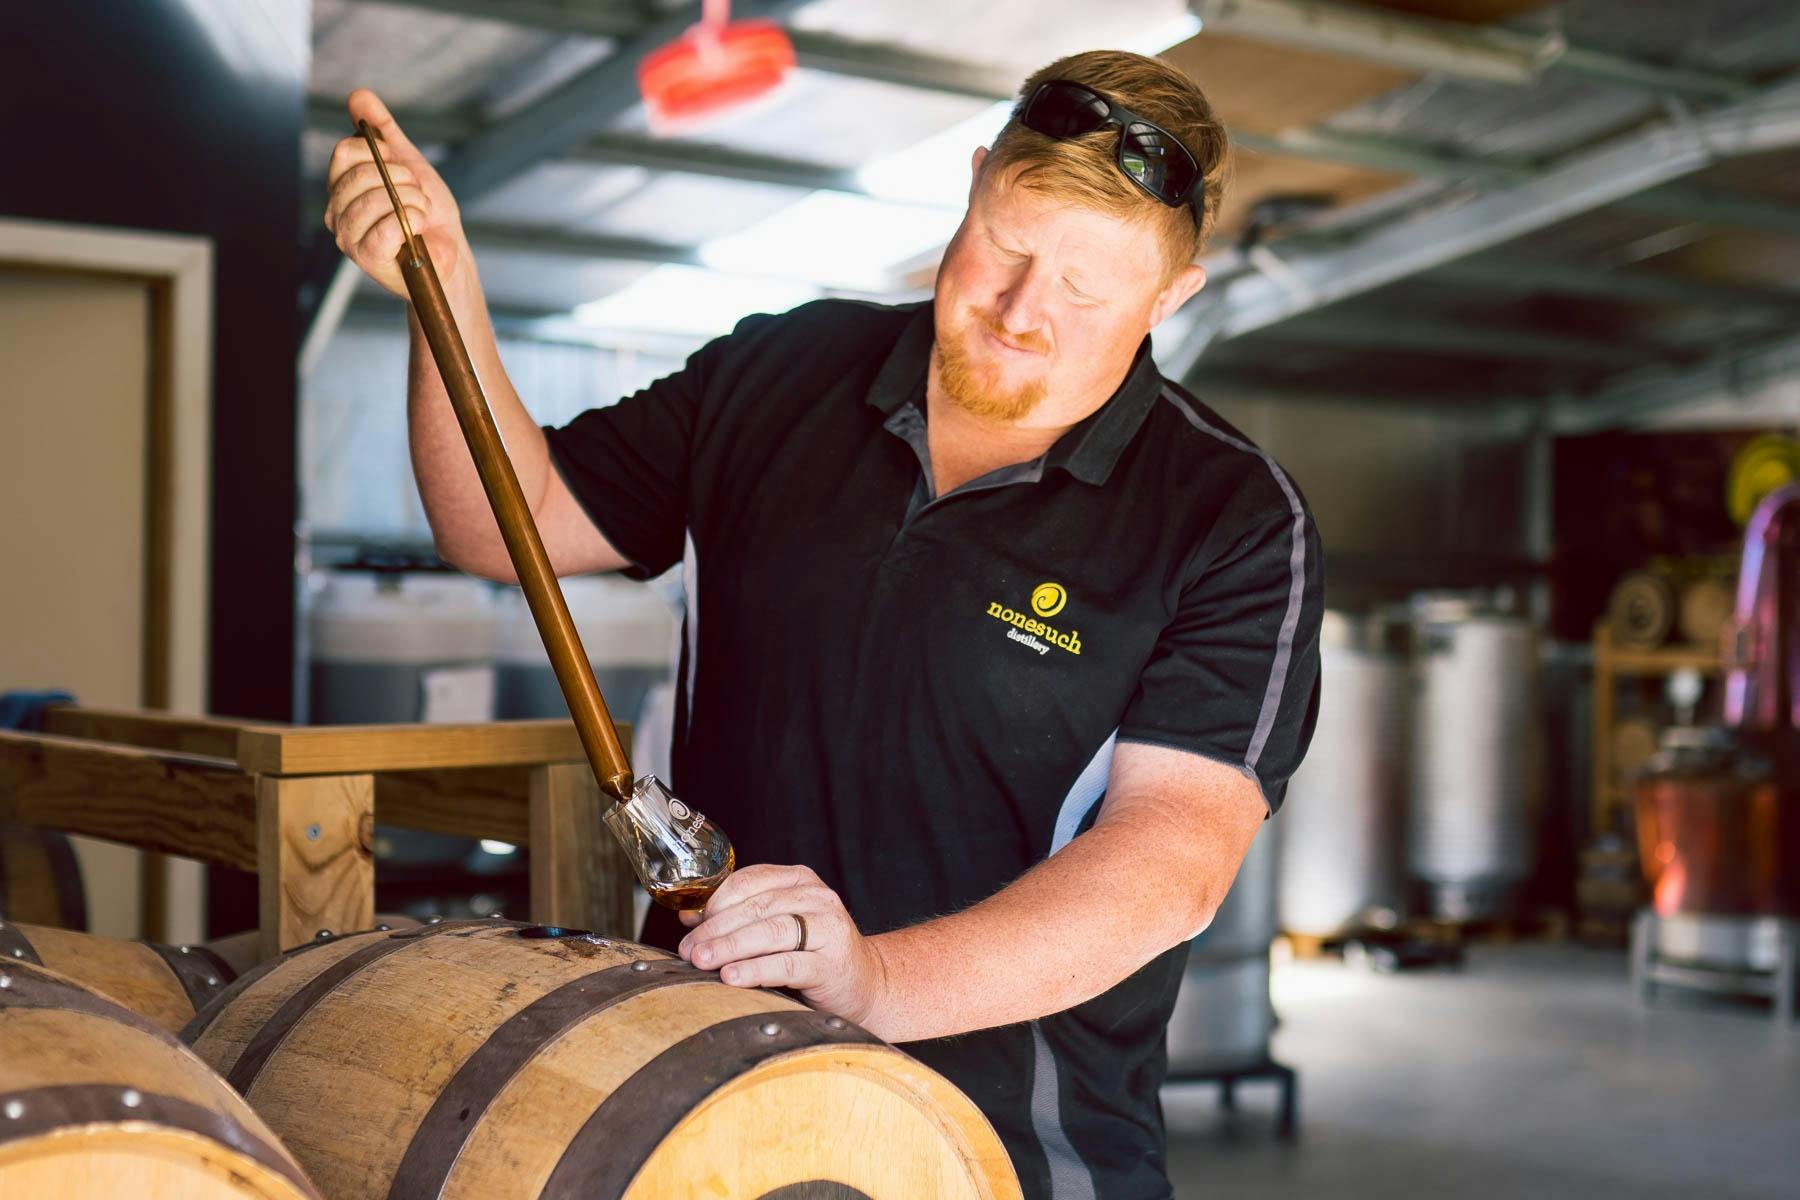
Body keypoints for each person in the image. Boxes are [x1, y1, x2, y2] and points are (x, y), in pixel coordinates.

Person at [325, 48, 1321, 1200]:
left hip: (1012, 1149)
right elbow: (511, 526)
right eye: (1007, 245)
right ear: (973, 179)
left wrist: (876, 980)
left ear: (1170, 298)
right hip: (709, 1103)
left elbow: (1168, 863)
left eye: (1088, 289)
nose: (1021, 312)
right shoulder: (785, 369)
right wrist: (442, 296)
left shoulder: (1230, 518)